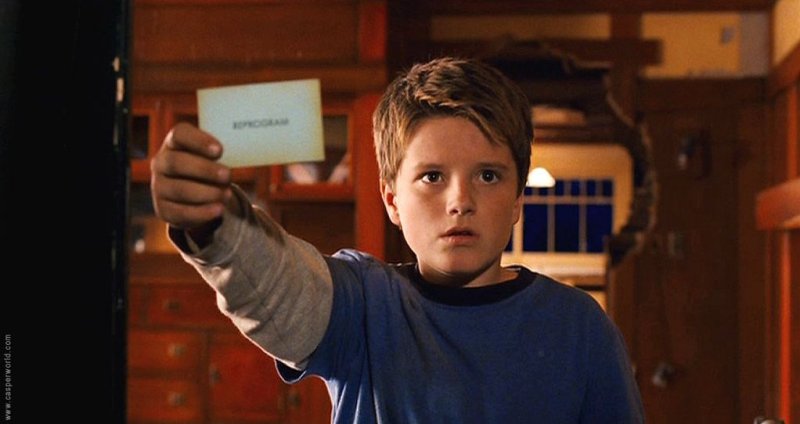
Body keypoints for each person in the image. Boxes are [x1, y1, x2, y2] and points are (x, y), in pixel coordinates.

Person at [150, 56, 645, 423]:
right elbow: (282, 287)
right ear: (391, 201)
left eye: (488, 176)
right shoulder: (363, 305)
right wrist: (214, 224)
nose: (460, 201)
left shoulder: (579, 327)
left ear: (517, 199)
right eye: (432, 176)